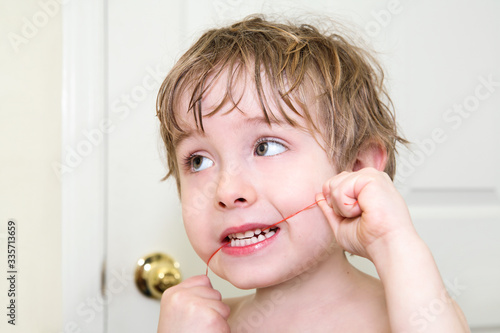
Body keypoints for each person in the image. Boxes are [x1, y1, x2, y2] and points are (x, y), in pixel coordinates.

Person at [155, 15, 469, 332]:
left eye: (265, 147)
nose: (225, 191)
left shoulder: (417, 314)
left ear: (357, 167)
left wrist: (392, 243)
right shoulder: (200, 326)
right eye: (198, 161)